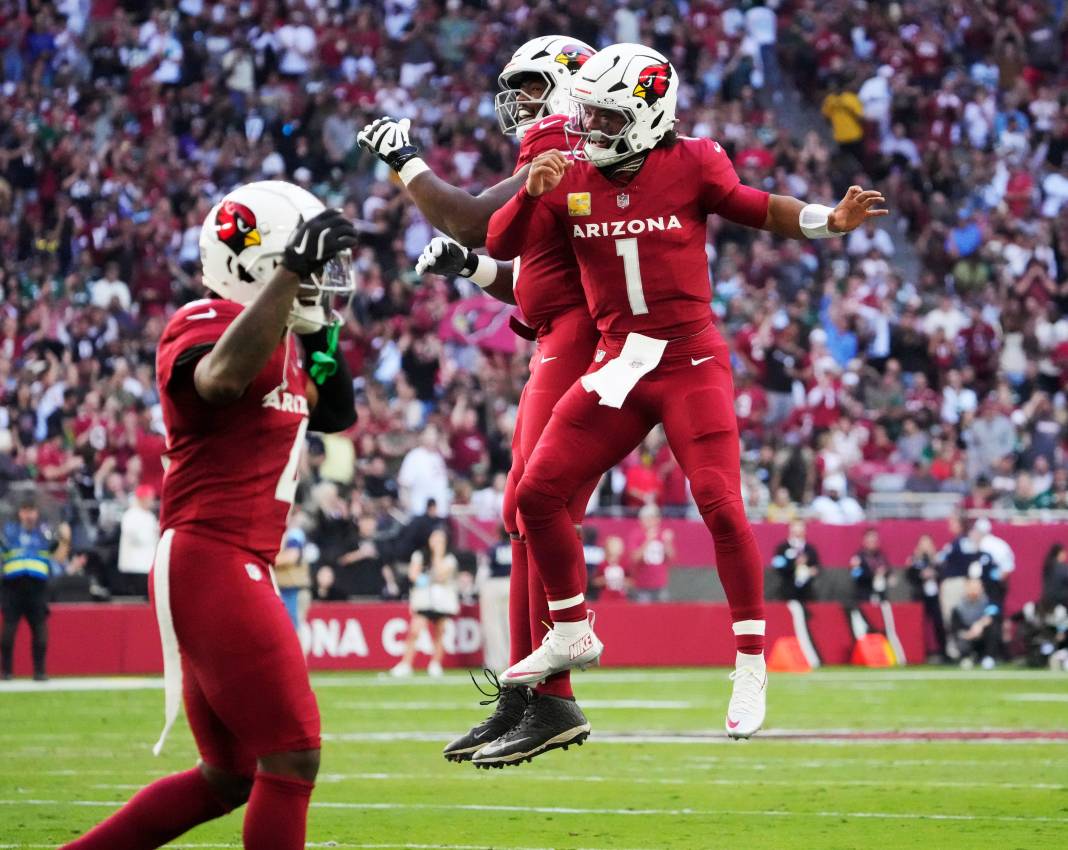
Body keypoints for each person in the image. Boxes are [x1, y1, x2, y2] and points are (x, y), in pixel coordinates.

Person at [485, 42, 886, 738]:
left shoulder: (695, 161)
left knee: (719, 502)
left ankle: (753, 661)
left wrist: (829, 220)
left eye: (606, 118)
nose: (590, 132)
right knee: (536, 492)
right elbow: (498, 244)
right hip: (621, 362)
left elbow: (758, 206)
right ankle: (573, 627)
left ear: (646, 115)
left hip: (689, 360)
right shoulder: (572, 172)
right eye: (589, 117)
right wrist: (530, 191)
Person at [60, 181, 358, 850]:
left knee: (229, 776)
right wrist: (289, 280)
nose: (318, 279)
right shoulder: (203, 318)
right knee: (293, 754)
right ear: (261, 263)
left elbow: (338, 412)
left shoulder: (283, 331)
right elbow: (218, 381)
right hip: (211, 555)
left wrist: (316, 322)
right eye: (302, 262)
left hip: (232, 559)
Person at [359, 35, 599, 766]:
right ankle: (530, 693)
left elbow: (466, 214)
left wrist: (407, 162)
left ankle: (549, 695)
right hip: (562, 332)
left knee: (534, 505)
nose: (519, 101)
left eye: (531, 85)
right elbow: (537, 274)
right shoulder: (562, 153)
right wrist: (476, 269)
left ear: (567, 86)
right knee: (520, 513)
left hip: (583, 338)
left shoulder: (565, 142)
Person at [1, 493, 69, 681]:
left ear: (37, 513)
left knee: (40, 630)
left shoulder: (45, 533)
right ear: (20, 513)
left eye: (32, 511)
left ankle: (40, 671)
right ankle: (6, 672)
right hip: (12, 586)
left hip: (37, 587)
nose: (29, 515)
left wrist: (65, 538)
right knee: (8, 631)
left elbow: (59, 552)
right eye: (25, 511)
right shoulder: (9, 531)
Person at [391, 528, 460, 678]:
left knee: (439, 633)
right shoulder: (420, 555)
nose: (436, 543)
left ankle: (435, 664)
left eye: (440, 541)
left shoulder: (450, 559)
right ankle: (406, 664)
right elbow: (413, 575)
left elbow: (441, 575)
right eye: (434, 539)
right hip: (424, 601)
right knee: (414, 631)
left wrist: (437, 555)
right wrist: (425, 578)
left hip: (442, 602)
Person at [905, 534, 946, 659]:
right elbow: (909, 577)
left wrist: (934, 572)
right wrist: (921, 575)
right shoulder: (914, 560)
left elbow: (944, 573)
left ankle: (942, 652)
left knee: (938, 623)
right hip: (920, 595)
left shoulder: (938, 559)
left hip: (935, 596)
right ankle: (919, 652)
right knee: (918, 625)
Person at [116, 484, 160, 598]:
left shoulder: (150, 516)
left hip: (148, 564)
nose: (152, 501)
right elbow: (133, 536)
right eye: (150, 498)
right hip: (135, 565)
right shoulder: (130, 515)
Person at [950, 578, 1001, 670]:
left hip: (982, 635)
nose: (974, 590)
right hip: (967, 636)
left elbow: (993, 616)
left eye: (977, 587)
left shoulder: (988, 602)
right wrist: (969, 634)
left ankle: (988, 657)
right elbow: (955, 629)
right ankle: (966, 658)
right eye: (972, 587)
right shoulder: (958, 607)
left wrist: (979, 625)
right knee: (960, 639)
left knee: (993, 628)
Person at [629, 503, 675, 602]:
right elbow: (635, 558)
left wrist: (668, 543)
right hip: (642, 585)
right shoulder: (636, 535)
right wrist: (647, 540)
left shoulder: (663, 534)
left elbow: (671, 557)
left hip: (660, 584)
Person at [771, 520, 822, 602]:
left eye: (801, 527)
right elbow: (778, 566)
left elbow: (817, 566)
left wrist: (812, 571)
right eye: (795, 527)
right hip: (787, 588)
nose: (798, 529)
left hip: (807, 590)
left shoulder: (810, 549)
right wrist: (794, 564)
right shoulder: (782, 548)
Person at [850, 527, 893, 603]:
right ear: (864, 541)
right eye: (870, 539)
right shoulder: (858, 557)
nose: (873, 541)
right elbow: (856, 576)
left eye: (875, 539)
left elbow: (888, 571)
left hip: (881, 595)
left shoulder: (881, 557)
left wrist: (887, 574)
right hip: (864, 596)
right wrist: (874, 574)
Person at [592, 535, 631, 601]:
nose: (615, 548)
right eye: (613, 545)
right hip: (605, 597)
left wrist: (622, 581)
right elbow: (594, 581)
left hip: (621, 598)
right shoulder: (602, 564)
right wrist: (604, 581)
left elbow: (631, 582)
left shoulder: (624, 564)